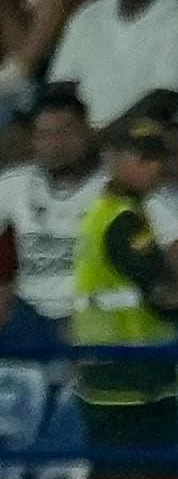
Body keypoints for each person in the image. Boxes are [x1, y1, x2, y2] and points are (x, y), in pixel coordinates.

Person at [68, 116, 178, 477]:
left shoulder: (114, 211)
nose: (155, 168)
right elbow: (162, 291)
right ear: (114, 160)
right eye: (143, 159)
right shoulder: (123, 221)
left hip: (126, 375)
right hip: (130, 379)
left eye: (158, 158)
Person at [0, 90, 101, 357]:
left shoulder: (112, 185)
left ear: (88, 131)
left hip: (93, 311)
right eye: (45, 135)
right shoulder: (16, 183)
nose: (56, 143)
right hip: (28, 312)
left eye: (66, 132)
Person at [45, 0, 178, 130]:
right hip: (81, 138)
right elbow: (61, 85)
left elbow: (167, 98)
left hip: (141, 140)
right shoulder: (89, 15)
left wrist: (100, 138)